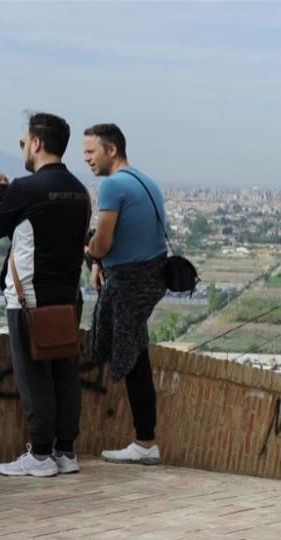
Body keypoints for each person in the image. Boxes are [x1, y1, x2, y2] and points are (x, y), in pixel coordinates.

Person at [0, 112, 89, 477]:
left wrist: (1, 188)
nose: (24, 148)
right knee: (64, 373)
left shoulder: (26, 188)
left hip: (29, 300)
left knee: (33, 375)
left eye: (23, 142)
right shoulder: (79, 190)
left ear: (37, 143)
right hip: (67, 298)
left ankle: (40, 454)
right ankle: (65, 451)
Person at [83, 123, 167, 465]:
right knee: (135, 352)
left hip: (130, 280)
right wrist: (98, 262)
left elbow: (102, 243)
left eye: (91, 151)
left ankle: (145, 443)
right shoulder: (146, 181)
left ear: (111, 149)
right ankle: (145, 441)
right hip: (149, 275)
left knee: (132, 358)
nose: (87, 159)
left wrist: (89, 252)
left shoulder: (114, 185)